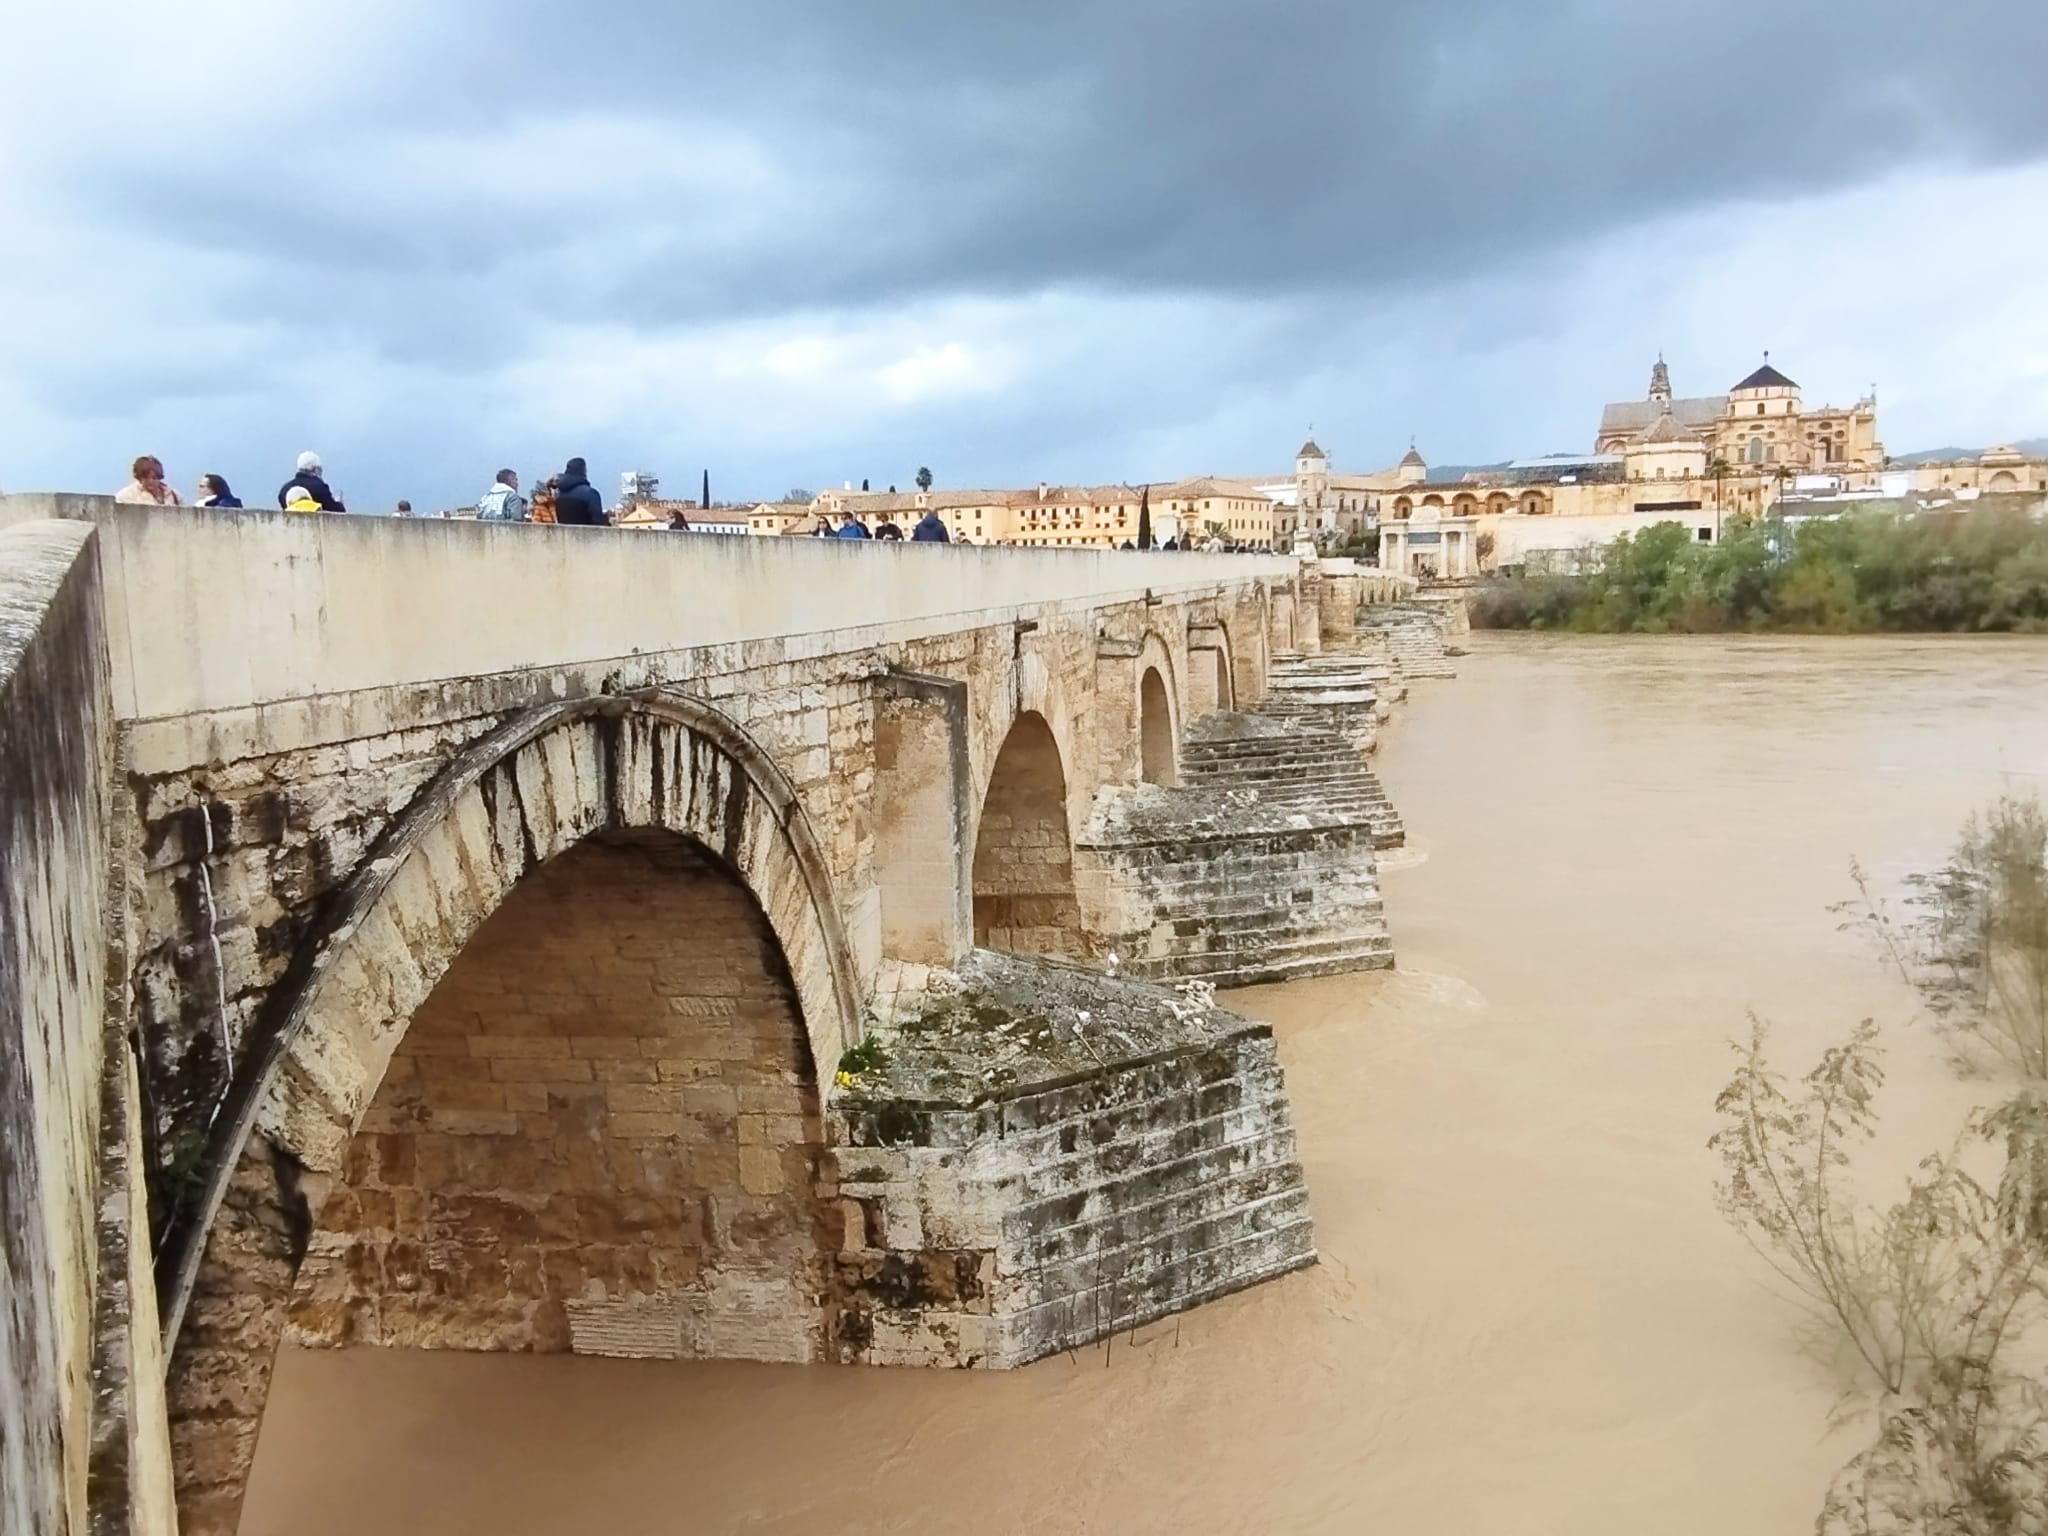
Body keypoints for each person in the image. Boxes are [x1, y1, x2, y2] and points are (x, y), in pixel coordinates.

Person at [278, 451, 344, 513]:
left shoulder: (284, 490)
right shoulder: (320, 487)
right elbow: (336, 511)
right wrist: (339, 503)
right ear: (315, 469)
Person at [553, 457, 607, 525]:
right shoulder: (590, 494)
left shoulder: (559, 494)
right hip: (588, 534)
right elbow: (598, 521)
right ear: (584, 471)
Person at [114, 455, 181, 505]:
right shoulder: (127, 495)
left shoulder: (174, 495)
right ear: (139, 478)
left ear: (159, 477)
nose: (151, 481)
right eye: (146, 478)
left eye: (154, 478)